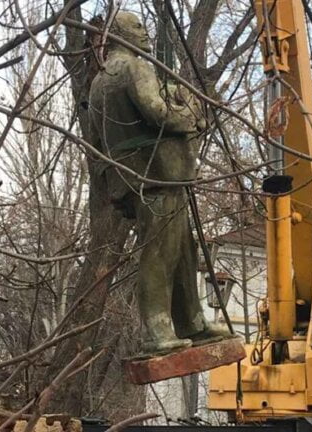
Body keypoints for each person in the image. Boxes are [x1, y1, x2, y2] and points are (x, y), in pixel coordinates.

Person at [88, 12, 228, 356]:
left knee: (183, 249)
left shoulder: (99, 81)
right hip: (157, 173)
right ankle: (158, 329)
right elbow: (158, 112)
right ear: (119, 33)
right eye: (138, 27)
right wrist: (193, 116)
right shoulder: (134, 67)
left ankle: (192, 321)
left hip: (134, 176)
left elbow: (96, 141)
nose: (145, 34)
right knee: (160, 252)